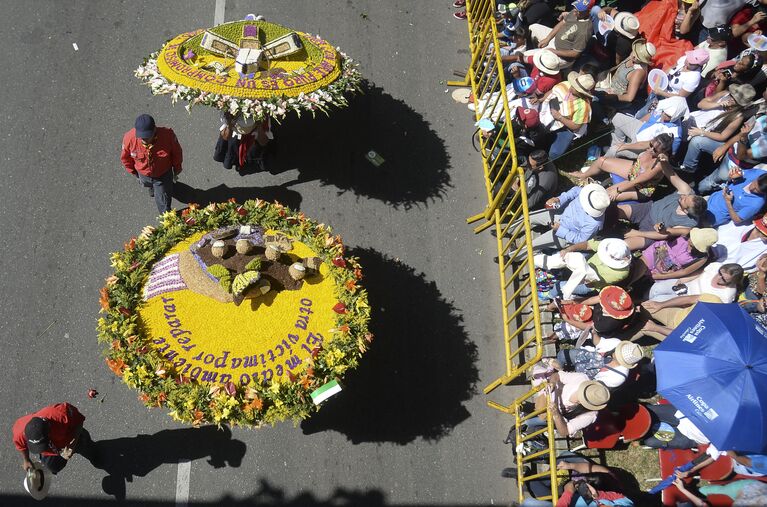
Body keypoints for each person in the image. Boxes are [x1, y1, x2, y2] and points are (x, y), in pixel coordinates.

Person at [617, 162, 708, 241]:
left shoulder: (688, 225)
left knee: (627, 244)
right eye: (687, 196)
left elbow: (666, 234)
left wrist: (638, 233)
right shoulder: (687, 191)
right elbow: (670, 174)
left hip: (651, 232)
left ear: (686, 211)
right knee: (617, 211)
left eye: (684, 200)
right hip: (648, 209)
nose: (683, 196)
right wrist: (664, 162)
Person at [679, 84, 755, 174]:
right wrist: (718, 104)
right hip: (694, 118)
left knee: (696, 140)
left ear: (740, 104)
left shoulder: (737, 117)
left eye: (735, 100)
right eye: (732, 96)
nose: (731, 99)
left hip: (704, 129)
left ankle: (687, 169)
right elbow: (700, 104)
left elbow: (722, 136)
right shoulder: (725, 94)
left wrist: (702, 132)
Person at [511, 183, 610, 252]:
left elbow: (580, 240)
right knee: (529, 217)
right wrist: (557, 199)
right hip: (560, 213)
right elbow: (572, 193)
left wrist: (560, 230)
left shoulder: (594, 224)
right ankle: (509, 230)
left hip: (565, 234)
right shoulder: (587, 193)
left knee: (535, 244)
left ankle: (512, 257)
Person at [576, 134, 675, 202]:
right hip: (634, 170)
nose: (651, 149)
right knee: (601, 160)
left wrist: (618, 190)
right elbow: (640, 144)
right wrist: (624, 146)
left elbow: (636, 181)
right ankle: (584, 175)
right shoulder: (653, 144)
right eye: (651, 145)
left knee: (607, 194)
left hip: (641, 187)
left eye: (655, 150)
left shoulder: (659, 164)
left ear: (663, 151)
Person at [120, 114, 183, 214]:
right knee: (148, 185)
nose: (144, 139)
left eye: (147, 136)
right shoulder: (129, 138)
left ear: (154, 130)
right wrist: (134, 173)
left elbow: (177, 153)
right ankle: (153, 189)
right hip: (143, 175)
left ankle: (168, 219)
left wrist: (177, 168)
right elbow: (125, 158)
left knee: (163, 203)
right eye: (141, 136)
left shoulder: (168, 135)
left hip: (162, 175)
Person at [534, 237, 633, 300]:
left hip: (589, 284)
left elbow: (591, 283)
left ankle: (549, 295)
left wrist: (578, 275)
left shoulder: (621, 273)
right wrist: (568, 250)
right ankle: (542, 265)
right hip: (587, 263)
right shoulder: (610, 245)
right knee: (561, 258)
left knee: (562, 286)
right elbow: (588, 244)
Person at [13, 403, 95, 475]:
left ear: (49, 429)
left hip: (71, 437)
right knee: (52, 466)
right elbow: (21, 446)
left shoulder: (62, 414)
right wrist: (26, 460)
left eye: (44, 444)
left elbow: (79, 422)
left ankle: (93, 454)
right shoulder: (19, 432)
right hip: (55, 449)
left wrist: (72, 445)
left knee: (87, 447)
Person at [635, 49, 709, 119]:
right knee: (641, 112)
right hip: (659, 89)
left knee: (644, 117)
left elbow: (680, 97)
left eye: (691, 62)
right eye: (688, 58)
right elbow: (671, 68)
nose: (687, 61)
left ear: (699, 65)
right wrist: (659, 79)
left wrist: (662, 93)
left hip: (667, 101)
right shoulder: (684, 59)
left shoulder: (694, 78)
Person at [602, 98, 686, 159]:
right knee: (617, 118)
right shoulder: (661, 111)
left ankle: (604, 161)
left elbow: (664, 152)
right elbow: (646, 119)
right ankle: (615, 149)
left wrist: (625, 146)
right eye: (664, 112)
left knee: (615, 149)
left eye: (668, 115)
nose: (663, 115)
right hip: (640, 128)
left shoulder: (674, 133)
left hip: (642, 148)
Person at [538, 72, 595, 161]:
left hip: (566, 128)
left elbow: (576, 126)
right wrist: (541, 99)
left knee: (555, 152)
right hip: (548, 112)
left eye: (575, 87)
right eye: (573, 84)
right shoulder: (565, 84)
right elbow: (553, 91)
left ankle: (548, 161)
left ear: (580, 92)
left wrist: (560, 117)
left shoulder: (583, 107)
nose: (571, 86)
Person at [594, 39, 655, 117]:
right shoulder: (631, 57)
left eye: (638, 57)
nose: (633, 56)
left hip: (617, 98)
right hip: (609, 86)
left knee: (594, 98)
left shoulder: (638, 72)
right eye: (634, 52)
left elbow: (629, 97)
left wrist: (611, 97)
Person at [526, 0, 594, 70]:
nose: (575, 11)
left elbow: (575, 53)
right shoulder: (575, 12)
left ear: (588, 11)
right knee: (533, 27)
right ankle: (535, 48)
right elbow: (562, 23)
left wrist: (555, 52)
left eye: (579, 10)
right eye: (575, 8)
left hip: (561, 55)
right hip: (554, 40)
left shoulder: (585, 31)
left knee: (526, 55)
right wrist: (548, 39)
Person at [631, 227, 717, 281]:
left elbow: (684, 272)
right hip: (660, 250)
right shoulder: (687, 232)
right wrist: (662, 229)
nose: (690, 240)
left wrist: (662, 277)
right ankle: (627, 283)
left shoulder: (702, 258)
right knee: (638, 269)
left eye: (694, 242)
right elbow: (668, 231)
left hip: (668, 268)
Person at [647, 261, 744, 303]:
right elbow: (700, 273)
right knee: (657, 288)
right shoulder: (716, 266)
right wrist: (683, 280)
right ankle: (643, 301)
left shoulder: (727, 295)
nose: (718, 277)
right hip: (686, 285)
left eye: (723, 279)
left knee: (658, 300)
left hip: (688, 301)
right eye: (720, 273)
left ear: (731, 282)